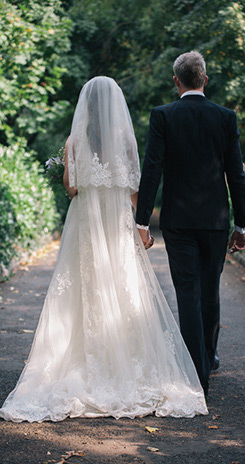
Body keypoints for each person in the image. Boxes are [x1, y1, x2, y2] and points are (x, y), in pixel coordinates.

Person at [0, 77, 207, 422]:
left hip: (85, 222)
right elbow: (135, 187)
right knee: (125, 287)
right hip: (117, 222)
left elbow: (71, 188)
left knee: (82, 288)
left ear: (86, 107)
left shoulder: (74, 140)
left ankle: (82, 361)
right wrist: (140, 227)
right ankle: (128, 364)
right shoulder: (125, 139)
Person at [136, 51, 245, 398]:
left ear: (176, 81)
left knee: (188, 292)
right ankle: (209, 356)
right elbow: (237, 173)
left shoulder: (163, 116)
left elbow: (152, 168)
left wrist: (142, 221)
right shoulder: (225, 117)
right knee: (209, 289)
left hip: (179, 221)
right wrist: (241, 225)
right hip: (215, 221)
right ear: (205, 80)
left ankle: (196, 371)